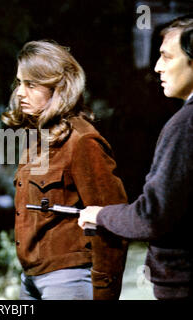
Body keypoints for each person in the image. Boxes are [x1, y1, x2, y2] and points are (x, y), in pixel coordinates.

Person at [2, 40, 128, 300]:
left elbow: (112, 220)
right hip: (32, 278)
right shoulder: (40, 138)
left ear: (58, 87)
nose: (20, 93)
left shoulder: (82, 140)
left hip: (68, 279)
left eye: (31, 85)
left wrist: (105, 292)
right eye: (19, 83)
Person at [78, 15, 193, 300]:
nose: (157, 67)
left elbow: (151, 216)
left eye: (166, 57)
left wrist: (101, 215)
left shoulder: (185, 125)